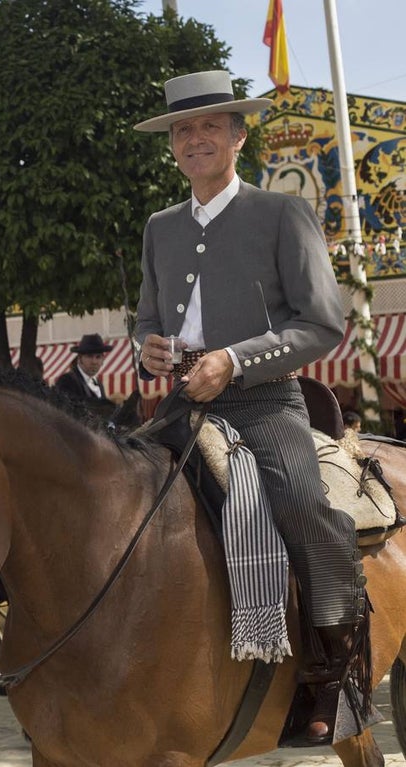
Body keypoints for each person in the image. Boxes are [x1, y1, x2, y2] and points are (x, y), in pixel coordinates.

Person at [133, 70, 365, 744]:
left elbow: (324, 323)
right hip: (179, 404)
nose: (194, 138)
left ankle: (334, 678)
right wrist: (147, 347)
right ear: (172, 146)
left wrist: (232, 359)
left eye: (209, 126)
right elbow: (146, 317)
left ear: (238, 135)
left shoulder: (281, 213)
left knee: (304, 507)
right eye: (183, 130)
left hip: (264, 402)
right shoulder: (160, 227)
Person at [54, 333, 114, 415]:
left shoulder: (99, 384)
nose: (94, 362)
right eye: (89, 356)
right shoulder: (67, 381)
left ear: (103, 360)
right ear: (79, 359)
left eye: (98, 357)